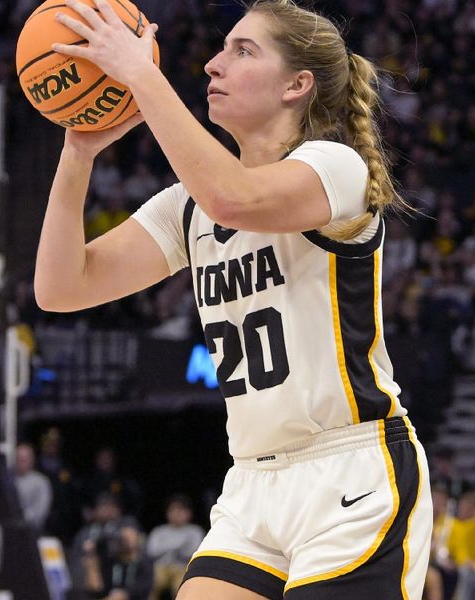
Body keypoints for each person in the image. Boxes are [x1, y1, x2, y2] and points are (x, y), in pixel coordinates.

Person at [36, 0, 433, 597]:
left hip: (351, 473)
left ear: (297, 85)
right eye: (221, 48)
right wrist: (78, 155)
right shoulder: (187, 206)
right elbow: (60, 288)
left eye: (242, 51)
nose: (213, 66)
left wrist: (142, 77)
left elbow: (236, 198)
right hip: (252, 482)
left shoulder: (334, 167)